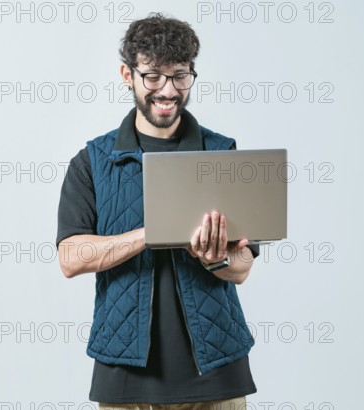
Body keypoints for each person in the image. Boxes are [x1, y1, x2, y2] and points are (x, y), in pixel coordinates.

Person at [56, 13, 258, 409]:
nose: (167, 90)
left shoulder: (221, 154)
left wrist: (215, 259)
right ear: (127, 74)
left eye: (180, 76)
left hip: (217, 371)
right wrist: (154, 232)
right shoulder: (93, 161)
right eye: (153, 76)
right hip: (125, 376)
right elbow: (70, 258)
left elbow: (243, 266)